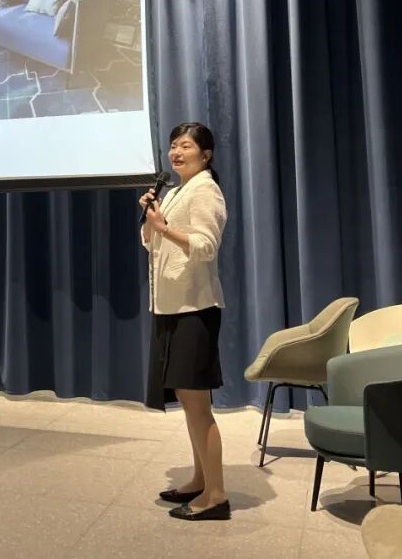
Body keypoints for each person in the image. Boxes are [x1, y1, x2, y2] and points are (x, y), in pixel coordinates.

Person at [139, 121, 229, 521]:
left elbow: (206, 246)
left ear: (205, 155)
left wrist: (165, 228)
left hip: (195, 308)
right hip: (170, 307)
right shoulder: (175, 191)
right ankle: (199, 480)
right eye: (173, 145)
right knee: (189, 403)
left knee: (197, 404)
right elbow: (153, 243)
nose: (176, 152)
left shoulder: (206, 189)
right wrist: (152, 220)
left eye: (186, 146)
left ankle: (217, 496)